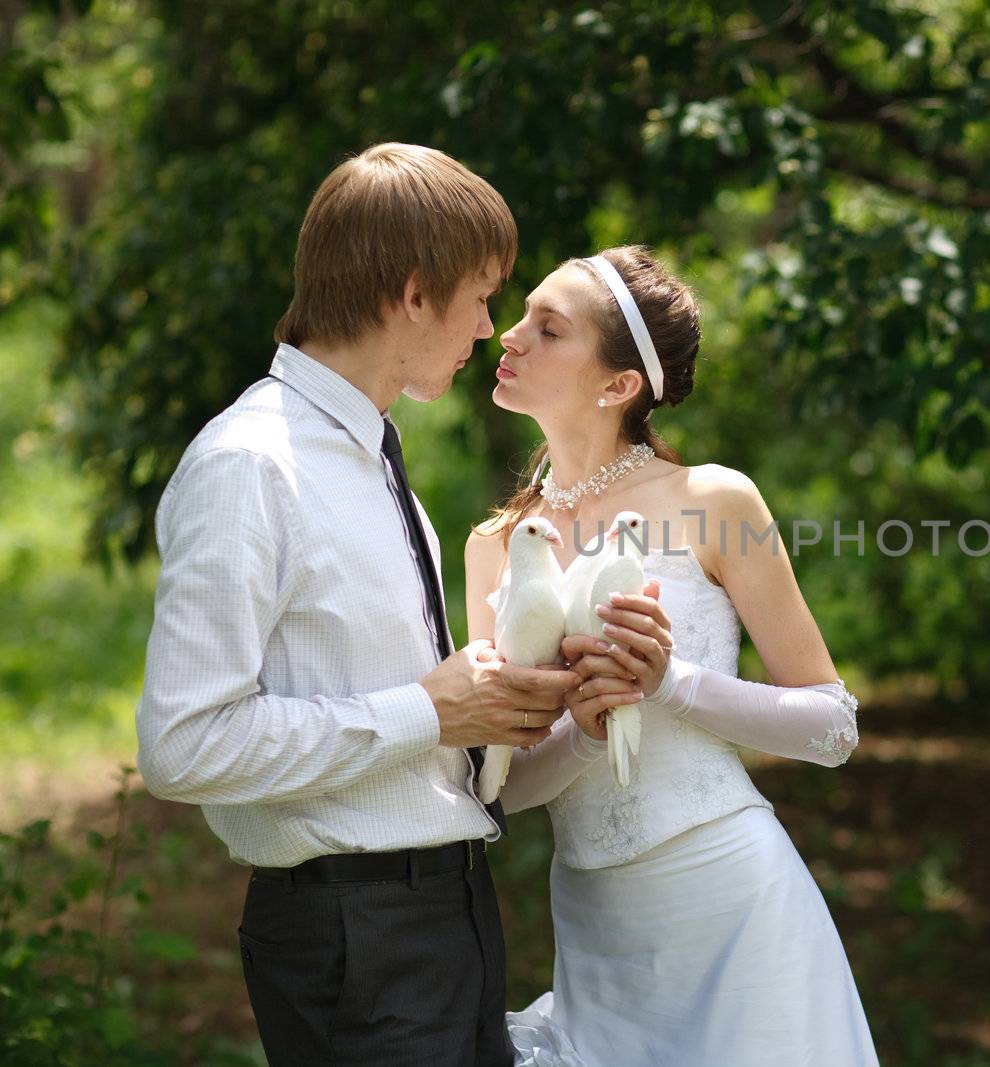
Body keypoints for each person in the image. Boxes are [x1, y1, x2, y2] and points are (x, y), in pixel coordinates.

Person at [135, 142, 592, 1066]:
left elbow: (399, 702)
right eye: (480, 296)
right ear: (415, 294)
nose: (485, 329)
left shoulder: (370, 459)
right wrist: (428, 710)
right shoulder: (248, 466)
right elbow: (180, 744)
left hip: (443, 913)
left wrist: (515, 706)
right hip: (356, 935)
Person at [466, 245, 879, 1065]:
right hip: (598, 938)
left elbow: (832, 727)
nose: (508, 337)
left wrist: (671, 681)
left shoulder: (714, 501)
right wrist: (582, 731)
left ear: (618, 385)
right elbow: (499, 793)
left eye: (547, 329)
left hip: (732, 906)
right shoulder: (499, 546)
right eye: (521, 316)